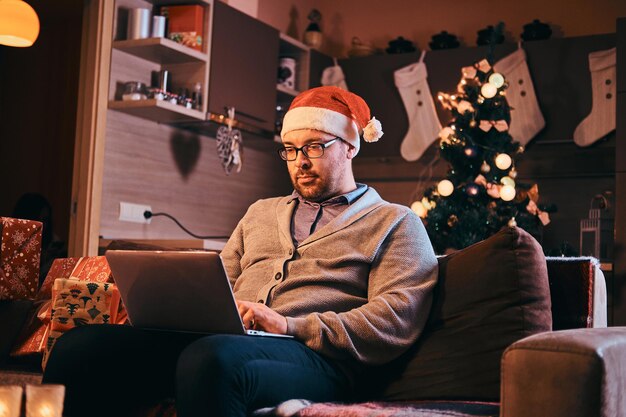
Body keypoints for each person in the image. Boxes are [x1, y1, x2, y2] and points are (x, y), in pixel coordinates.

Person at [43, 86, 438, 417]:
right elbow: (219, 285)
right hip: (227, 341)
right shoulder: (260, 213)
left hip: (318, 360)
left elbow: (394, 322)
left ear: (351, 146)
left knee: (212, 359)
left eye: (314, 147)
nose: (299, 162)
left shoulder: (396, 222)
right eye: (290, 149)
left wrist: (290, 325)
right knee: (84, 347)